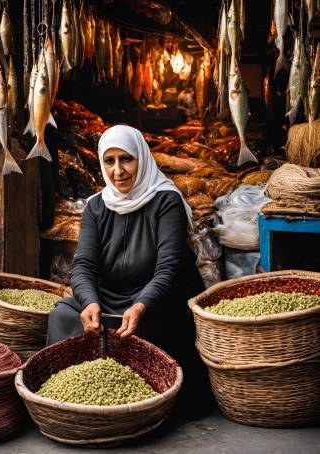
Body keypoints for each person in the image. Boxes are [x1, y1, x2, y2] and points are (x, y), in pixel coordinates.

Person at [47, 124, 214, 418]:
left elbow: (169, 267)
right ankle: (74, 404)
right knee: (62, 314)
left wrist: (141, 305)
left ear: (142, 159)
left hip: (158, 297)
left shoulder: (166, 200)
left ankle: (153, 406)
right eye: (109, 161)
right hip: (110, 296)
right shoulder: (96, 206)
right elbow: (83, 265)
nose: (118, 170)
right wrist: (89, 301)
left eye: (126, 159)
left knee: (148, 327)